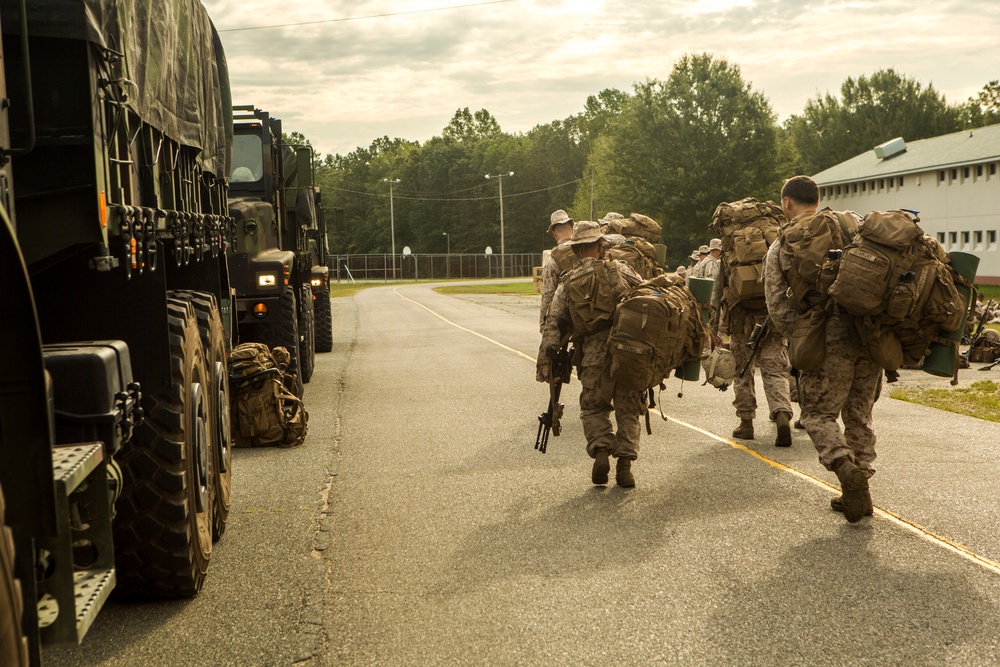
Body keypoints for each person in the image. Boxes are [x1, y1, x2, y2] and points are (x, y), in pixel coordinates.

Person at [763, 175, 881, 522]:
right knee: (859, 417)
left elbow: (776, 305)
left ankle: (845, 470)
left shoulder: (783, 242)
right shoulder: (854, 225)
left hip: (826, 338)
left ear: (787, 203)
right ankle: (860, 492)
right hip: (869, 335)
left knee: (817, 414)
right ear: (818, 198)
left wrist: (801, 338)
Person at [536, 221, 643, 487]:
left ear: (576, 251)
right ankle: (625, 466)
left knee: (593, 407)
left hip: (593, 355)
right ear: (600, 246)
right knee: (628, 409)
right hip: (627, 352)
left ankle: (601, 450)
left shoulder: (568, 282)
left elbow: (553, 323)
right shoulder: (622, 270)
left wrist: (545, 366)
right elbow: (646, 296)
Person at [710, 242, 793, 447]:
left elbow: (717, 292)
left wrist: (714, 329)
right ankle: (781, 412)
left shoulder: (728, 255)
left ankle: (746, 422)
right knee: (775, 370)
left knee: (742, 372)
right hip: (771, 319)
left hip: (740, 319)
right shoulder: (776, 247)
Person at [538, 210, 575, 334]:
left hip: (568, 315)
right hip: (595, 312)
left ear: (553, 233)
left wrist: (543, 325)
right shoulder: (587, 248)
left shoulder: (553, 260)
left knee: (548, 350)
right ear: (572, 228)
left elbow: (548, 294)